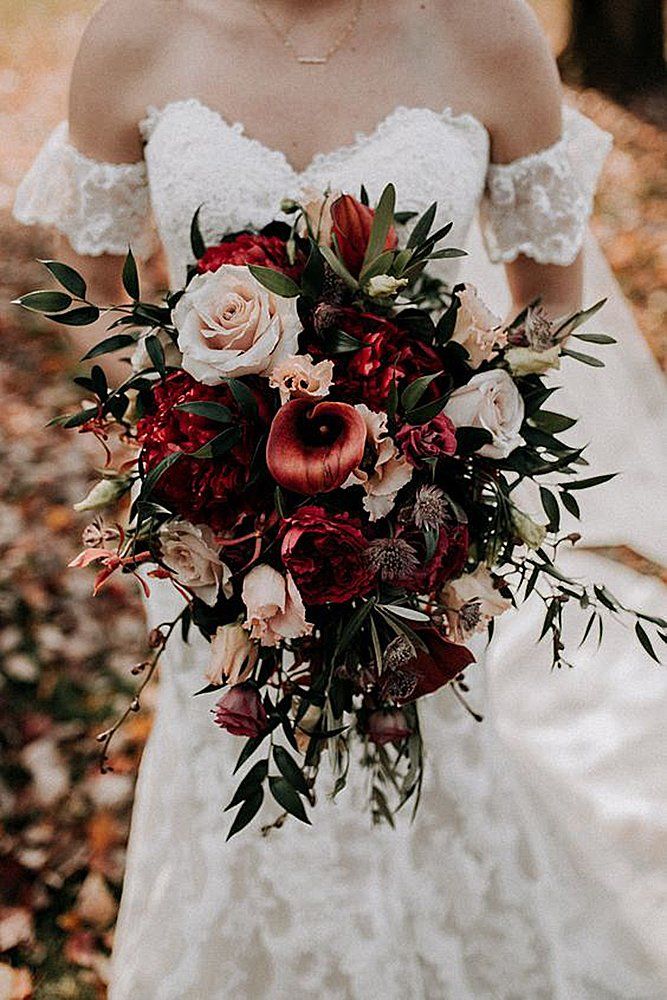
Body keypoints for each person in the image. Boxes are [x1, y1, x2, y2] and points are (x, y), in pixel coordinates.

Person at [13, 1, 667, 996]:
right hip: (219, 546)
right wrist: (174, 467)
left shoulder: (486, 32)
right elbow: (98, 293)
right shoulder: (135, 34)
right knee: (233, 784)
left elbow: (548, 308)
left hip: (421, 547)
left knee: (419, 776)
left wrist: (444, 472)